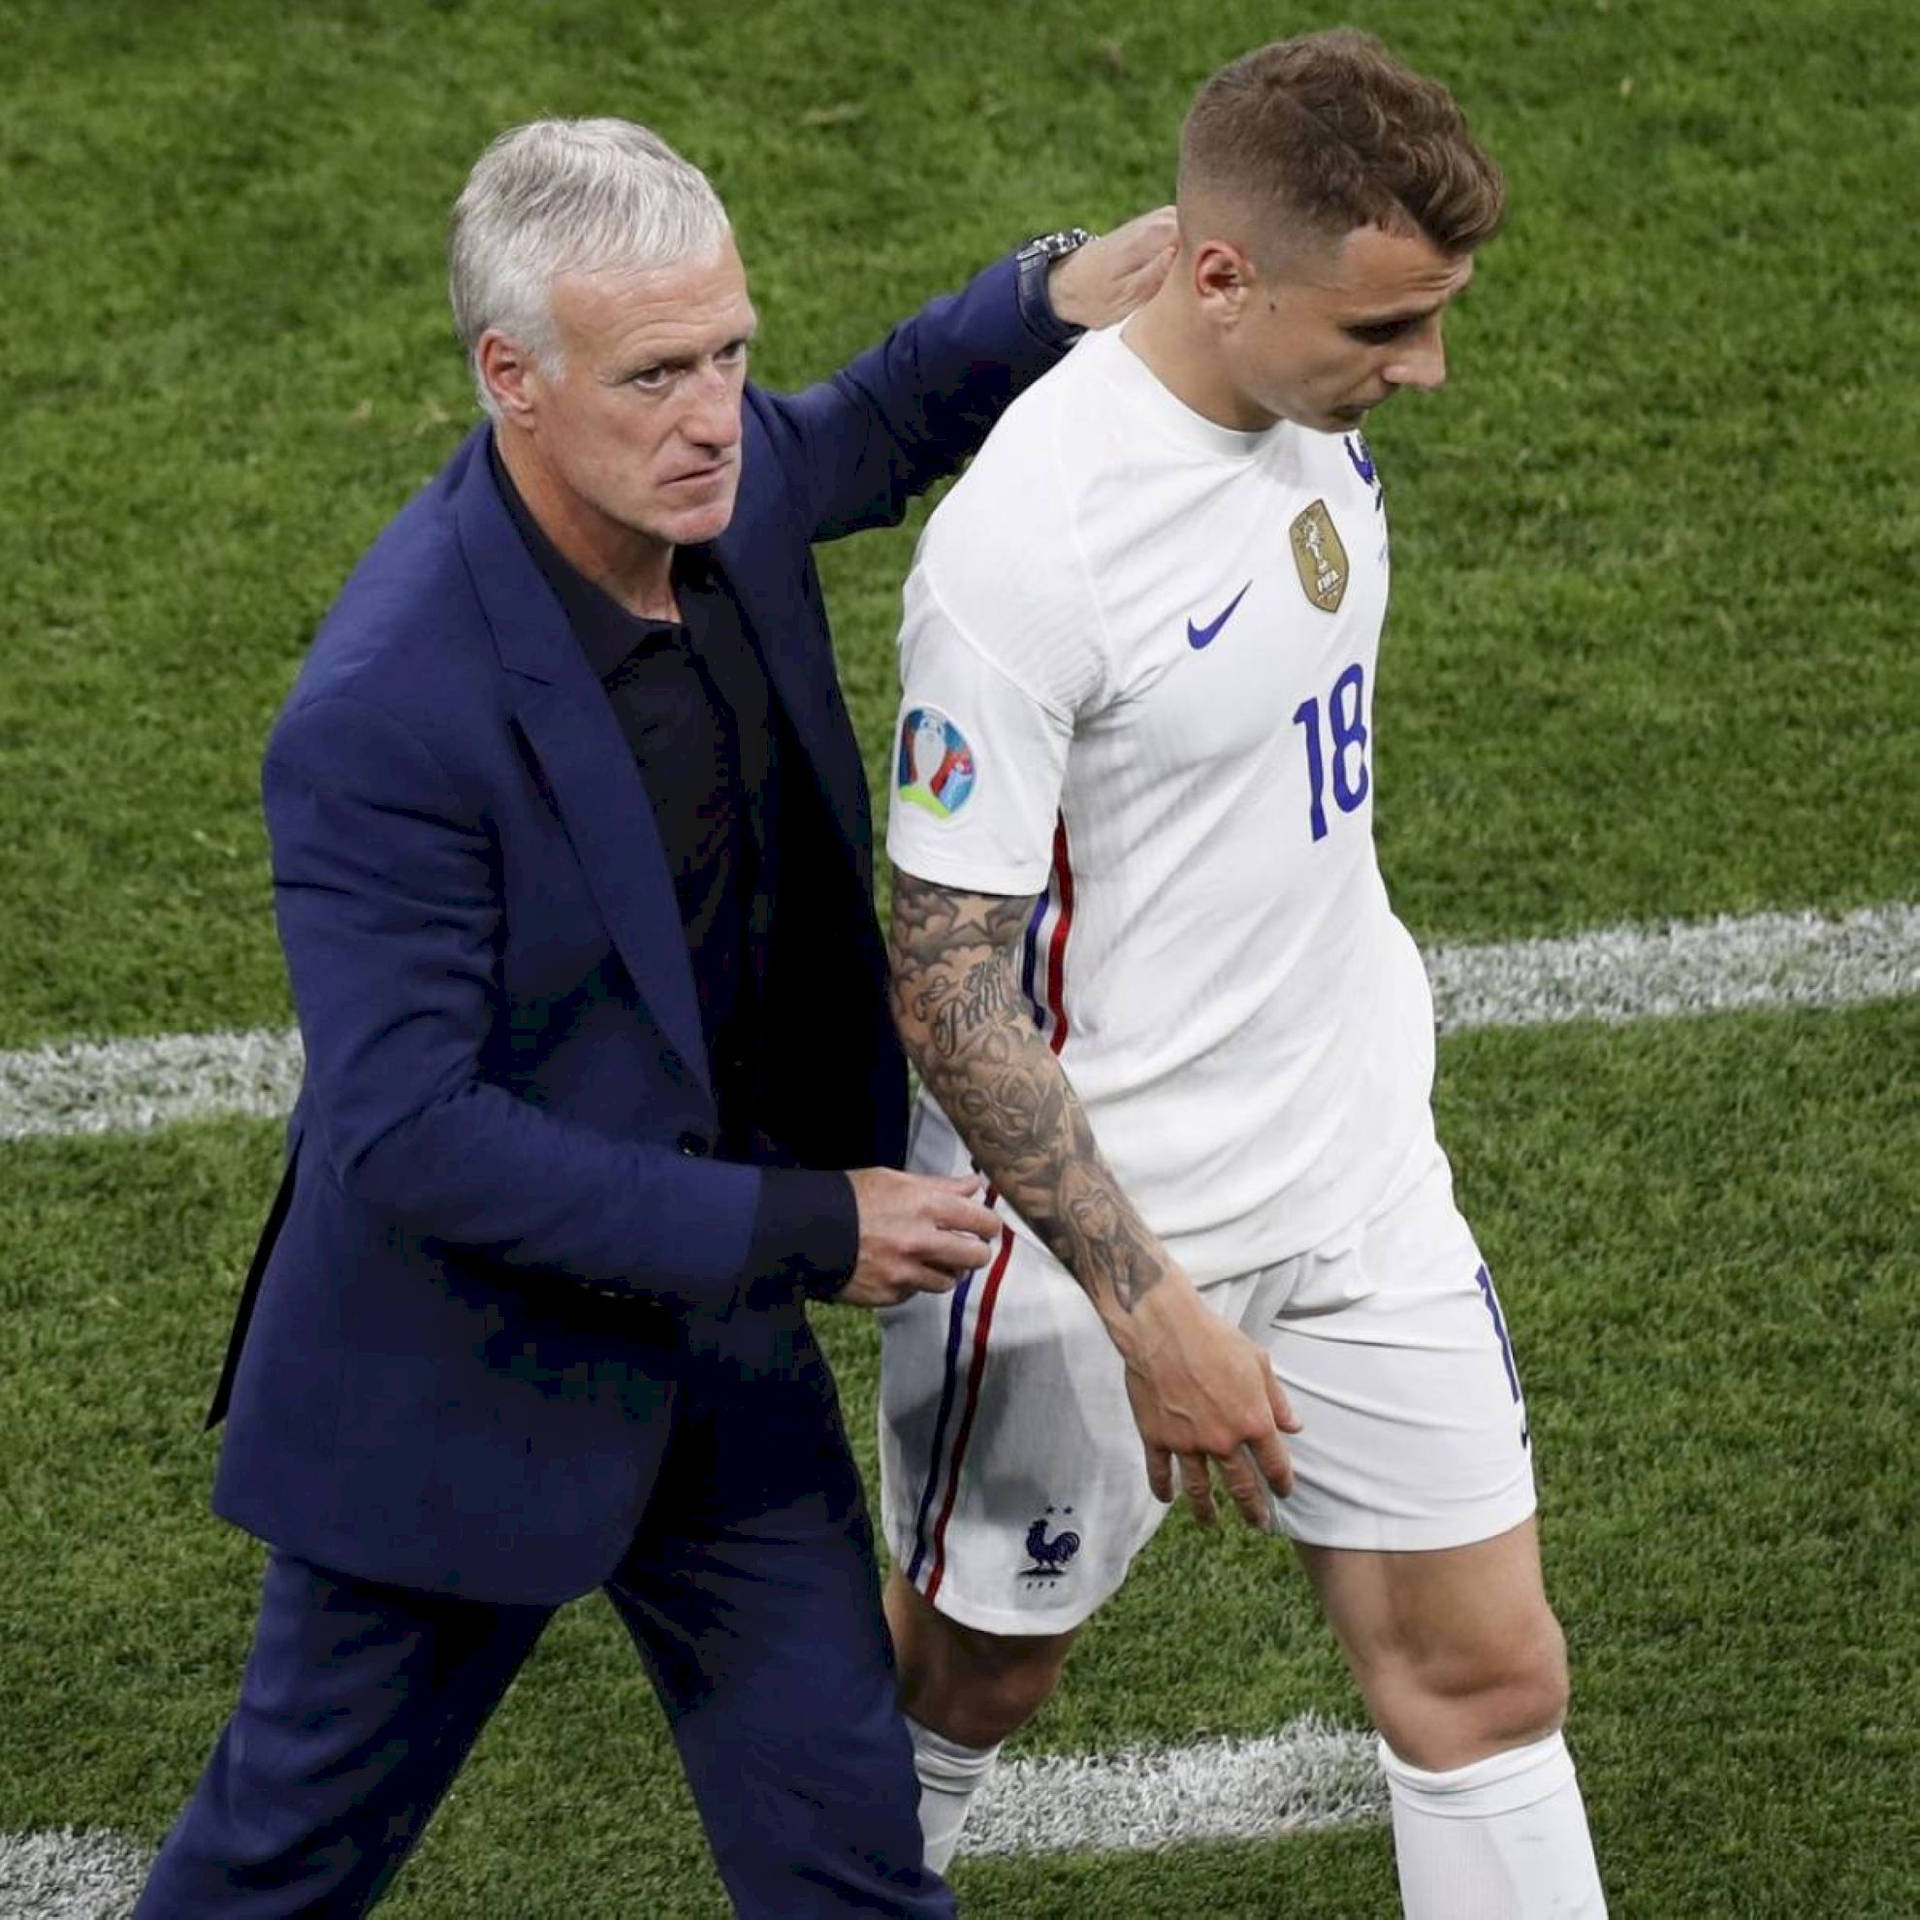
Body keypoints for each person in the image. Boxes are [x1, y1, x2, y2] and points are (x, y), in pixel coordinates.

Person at [134, 117, 1173, 1918]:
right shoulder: (386, 712)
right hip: (468, 1389)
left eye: (728, 356)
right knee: (273, 1878)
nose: (712, 416)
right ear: (508, 379)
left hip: (719, 1357)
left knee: (852, 1873)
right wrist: (802, 1225)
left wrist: (1049, 292)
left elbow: (867, 425)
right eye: (655, 377)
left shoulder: (709, 484)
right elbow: (409, 1133)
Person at [878, 32, 1607, 1918]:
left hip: (1357, 1172)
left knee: (1489, 1680)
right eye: (1387, 330)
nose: (1424, 373)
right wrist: (1154, 1314)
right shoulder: (1022, 555)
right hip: (1081, 1247)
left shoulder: (1297, 392)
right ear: (1220, 279)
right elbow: (947, 984)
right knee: (971, 1680)